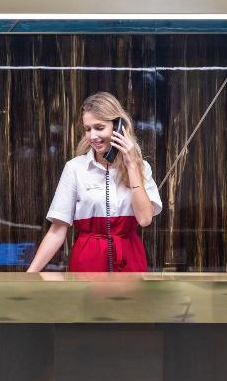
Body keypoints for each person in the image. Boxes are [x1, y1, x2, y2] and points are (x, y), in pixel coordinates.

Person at [26, 92, 162, 272]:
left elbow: (144, 219)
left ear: (118, 127)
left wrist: (131, 166)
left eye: (99, 127)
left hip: (129, 259)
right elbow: (57, 230)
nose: (92, 136)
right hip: (88, 260)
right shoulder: (75, 168)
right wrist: (30, 275)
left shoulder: (141, 167)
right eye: (88, 129)